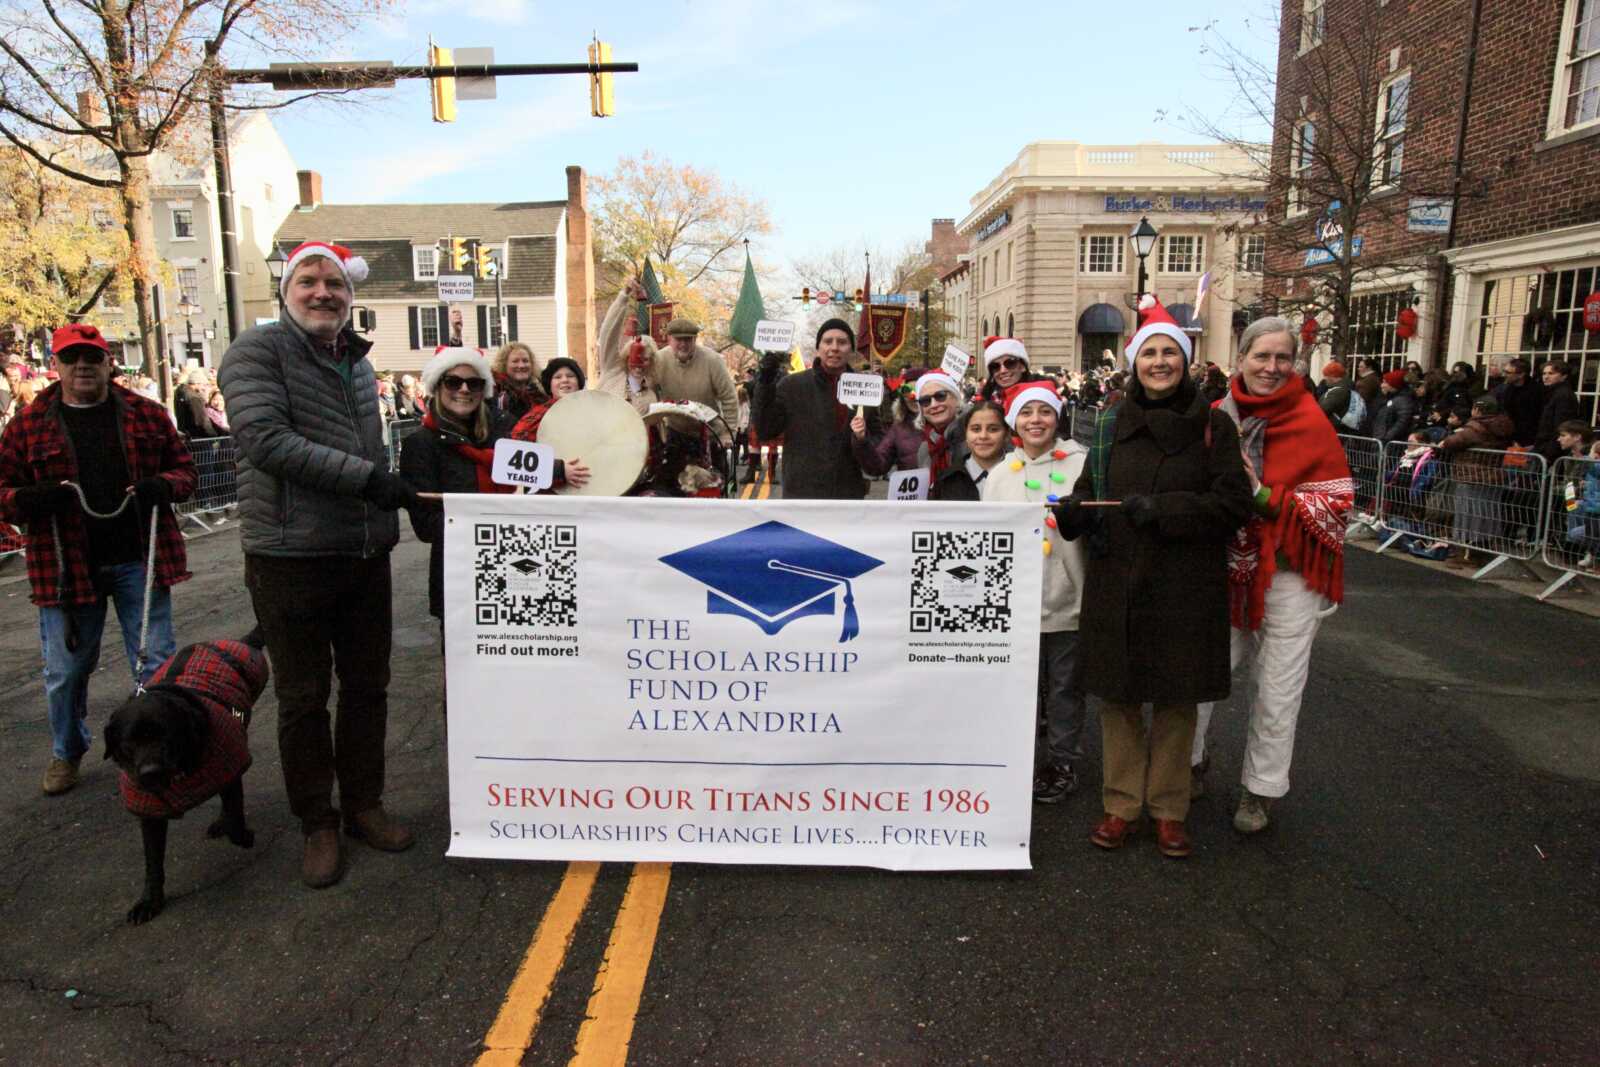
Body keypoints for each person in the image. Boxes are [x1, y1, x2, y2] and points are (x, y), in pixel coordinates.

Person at [219, 240, 423, 889]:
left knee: (368, 687)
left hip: (362, 551)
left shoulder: (357, 364)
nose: (322, 292)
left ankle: (364, 804)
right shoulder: (256, 351)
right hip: (289, 554)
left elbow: (371, 451)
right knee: (304, 697)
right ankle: (318, 821)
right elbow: (266, 440)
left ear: (350, 296)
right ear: (287, 290)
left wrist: (389, 500)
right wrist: (368, 480)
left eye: (334, 283)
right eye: (308, 280)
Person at [1054, 297, 1251, 858]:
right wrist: (1074, 512)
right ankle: (1121, 805)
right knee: (1117, 699)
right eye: (1149, 353)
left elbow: (1233, 503)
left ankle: (1168, 809)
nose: (1159, 362)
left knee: (1175, 699)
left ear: (1185, 362)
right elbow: (1090, 489)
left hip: (1184, 582)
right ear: (1134, 363)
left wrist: (1165, 510)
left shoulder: (1213, 425)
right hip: (1117, 576)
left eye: (1170, 353)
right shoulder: (1109, 422)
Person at [0, 324, 197, 796]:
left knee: (156, 666)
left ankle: (164, 753)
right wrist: (27, 499)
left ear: (108, 363)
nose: (83, 366)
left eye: (92, 357)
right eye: (72, 358)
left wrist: (164, 485)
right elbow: (3, 491)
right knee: (66, 673)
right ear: (56, 365)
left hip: (139, 561)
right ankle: (67, 752)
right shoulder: (27, 424)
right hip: (66, 571)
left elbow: (186, 472)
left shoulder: (147, 415)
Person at [1190, 318, 1355, 834]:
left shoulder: (1312, 421)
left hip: (1288, 573)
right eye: (1262, 356)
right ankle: (1187, 762)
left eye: (1283, 357)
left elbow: (1336, 504)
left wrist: (1263, 494)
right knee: (1198, 673)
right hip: (1220, 566)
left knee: (1278, 688)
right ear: (1241, 358)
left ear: (1296, 363)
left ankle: (1259, 789)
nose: (1272, 367)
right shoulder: (1215, 418)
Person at [983, 382, 1088, 803]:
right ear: (1014, 422)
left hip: (1070, 598)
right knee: (1021, 688)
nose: (1036, 421)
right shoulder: (999, 475)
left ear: (1057, 417)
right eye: (1026, 413)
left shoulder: (1081, 464)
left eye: (1044, 411)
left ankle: (1063, 762)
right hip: (1016, 604)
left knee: (1065, 689)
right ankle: (1018, 760)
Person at [399, 348, 516, 645]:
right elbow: (426, 526)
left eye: (473, 383)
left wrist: (562, 470)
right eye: (453, 381)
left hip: (516, 572)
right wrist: (486, 522)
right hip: (459, 578)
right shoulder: (420, 445)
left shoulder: (504, 436)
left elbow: (534, 484)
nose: (464, 389)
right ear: (438, 386)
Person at [751, 319, 884, 499]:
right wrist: (765, 381)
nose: (834, 348)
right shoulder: (792, 385)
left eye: (842, 342)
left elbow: (877, 456)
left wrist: (861, 441)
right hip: (802, 496)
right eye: (828, 341)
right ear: (818, 348)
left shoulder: (865, 390)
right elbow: (765, 430)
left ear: (851, 350)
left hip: (847, 497)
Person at [1437, 395, 1514, 566]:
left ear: (1477, 410)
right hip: (1493, 476)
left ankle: (1466, 553)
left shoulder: (1476, 427)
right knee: (1486, 514)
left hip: (1471, 476)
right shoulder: (1504, 426)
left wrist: (1446, 440)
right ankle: (1482, 551)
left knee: (1467, 515)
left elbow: (1451, 443)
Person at [506, 358, 593, 492]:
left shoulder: (594, 411)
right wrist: (559, 470)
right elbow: (515, 456)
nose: (565, 380)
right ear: (550, 386)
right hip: (548, 492)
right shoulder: (536, 416)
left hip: (590, 487)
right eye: (557, 377)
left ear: (579, 383)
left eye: (570, 376)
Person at [862, 371, 962, 486]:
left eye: (940, 396)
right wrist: (861, 440)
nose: (913, 396)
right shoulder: (898, 429)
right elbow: (877, 466)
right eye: (907, 390)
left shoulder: (966, 428)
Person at [657, 316, 740, 435]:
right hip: (674, 430)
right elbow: (648, 390)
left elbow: (729, 398)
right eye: (678, 339)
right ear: (669, 339)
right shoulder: (659, 360)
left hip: (709, 431)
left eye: (688, 339)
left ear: (695, 339)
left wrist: (729, 433)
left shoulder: (713, 360)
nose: (683, 344)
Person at [934, 400, 1009, 501]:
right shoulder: (946, 479)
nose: (983, 436)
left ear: (1006, 434)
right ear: (966, 434)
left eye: (993, 429)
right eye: (976, 429)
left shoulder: (1022, 474)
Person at [1534, 360, 1580, 463]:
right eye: (1544, 373)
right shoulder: (1552, 392)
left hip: (1551, 450)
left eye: (1551, 373)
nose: (1546, 377)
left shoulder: (1563, 395)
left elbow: (1561, 425)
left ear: (1563, 376)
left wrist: (1550, 452)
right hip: (1545, 447)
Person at [490, 342, 545, 423]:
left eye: (525, 361)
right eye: (515, 361)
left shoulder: (541, 392)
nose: (521, 366)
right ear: (504, 364)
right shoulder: (495, 393)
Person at [1493, 357, 1542, 446]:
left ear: (1521, 374)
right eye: (1504, 371)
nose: (1504, 375)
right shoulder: (1508, 389)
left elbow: (1533, 418)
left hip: (1528, 439)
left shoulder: (1536, 391)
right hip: (1509, 436)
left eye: (1508, 373)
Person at [1370, 369, 1417, 444]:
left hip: (1388, 443)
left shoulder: (1403, 400)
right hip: (1380, 439)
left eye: (1385, 382)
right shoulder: (1389, 397)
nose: (1382, 385)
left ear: (1394, 385)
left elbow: (1402, 422)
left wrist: (1386, 438)